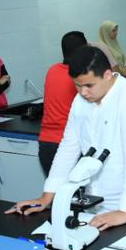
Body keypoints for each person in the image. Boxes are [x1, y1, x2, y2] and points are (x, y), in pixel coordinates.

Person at [7, 46, 126, 231]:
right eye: (78, 85)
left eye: (89, 85)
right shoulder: (81, 101)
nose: (83, 92)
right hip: (96, 205)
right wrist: (47, 196)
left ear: (107, 75)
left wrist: (125, 211)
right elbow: (68, 147)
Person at [39, 31, 88, 176]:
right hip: (70, 146)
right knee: (78, 190)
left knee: (56, 190)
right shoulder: (79, 76)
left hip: (46, 144)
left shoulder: (52, 70)